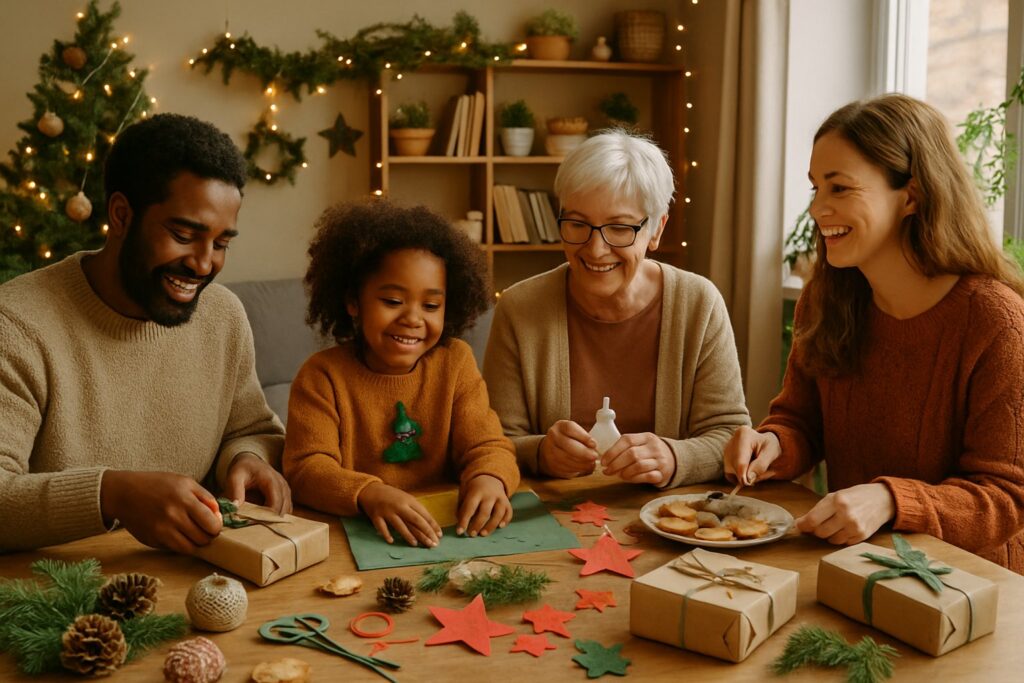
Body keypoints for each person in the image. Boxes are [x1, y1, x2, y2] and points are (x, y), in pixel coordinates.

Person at [724, 94, 1024, 572]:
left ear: (912, 196)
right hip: (856, 569)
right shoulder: (824, 301)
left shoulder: (997, 322)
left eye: (839, 188)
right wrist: (775, 444)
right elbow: (801, 421)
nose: (818, 209)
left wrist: (890, 500)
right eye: (815, 189)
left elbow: (1007, 498)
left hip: (973, 590)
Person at [0, 113, 290, 554]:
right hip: (45, 600)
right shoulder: (17, 325)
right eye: (183, 234)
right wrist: (111, 494)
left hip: (189, 583)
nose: (204, 263)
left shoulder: (223, 316)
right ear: (121, 215)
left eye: (221, 243)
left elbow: (252, 428)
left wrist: (246, 459)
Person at [483, 130, 750, 487]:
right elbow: (491, 442)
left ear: (656, 230)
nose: (595, 250)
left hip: (671, 523)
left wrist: (675, 457)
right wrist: (540, 452)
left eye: (620, 228)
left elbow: (731, 434)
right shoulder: (519, 308)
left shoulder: (699, 303)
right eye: (577, 224)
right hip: (554, 521)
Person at [283, 201, 520, 547]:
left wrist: (491, 478)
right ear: (353, 302)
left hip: (447, 537)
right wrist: (369, 493)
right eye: (393, 301)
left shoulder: (456, 363)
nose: (413, 318)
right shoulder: (321, 376)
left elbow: (487, 445)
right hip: (356, 541)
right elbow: (306, 469)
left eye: (431, 306)